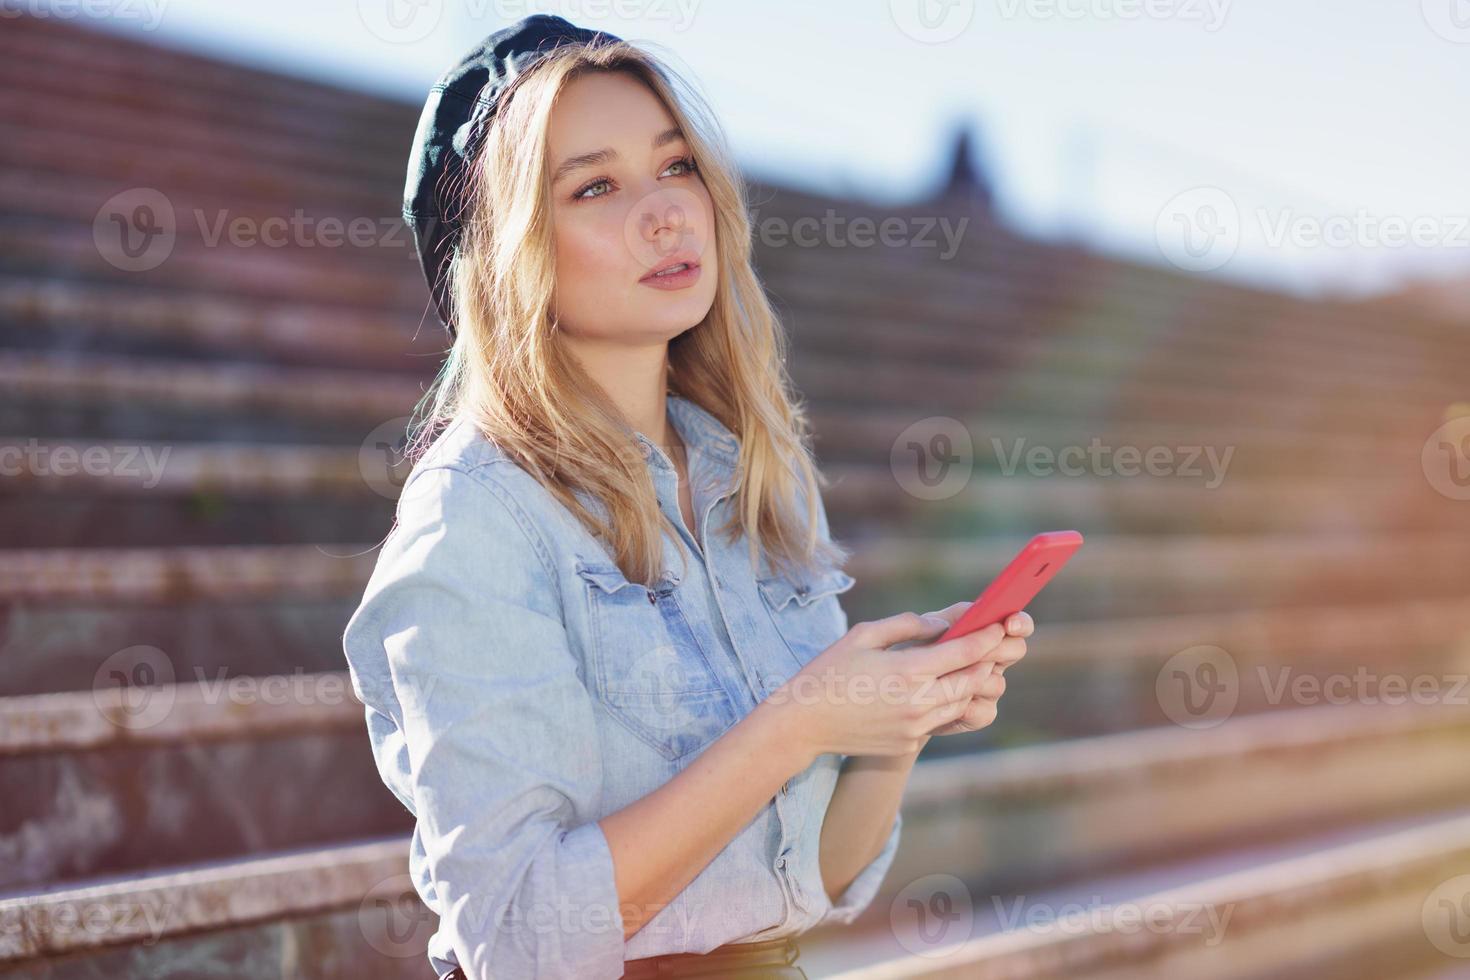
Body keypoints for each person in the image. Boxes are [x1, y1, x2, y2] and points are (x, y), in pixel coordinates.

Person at [342, 15, 1032, 979]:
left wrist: (895, 724)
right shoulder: (475, 518)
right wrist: (800, 721)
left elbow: (817, 880)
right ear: (509, 256)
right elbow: (519, 938)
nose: (665, 213)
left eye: (675, 167)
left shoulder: (757, 474)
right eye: (595, 187)